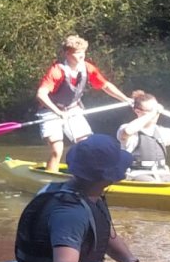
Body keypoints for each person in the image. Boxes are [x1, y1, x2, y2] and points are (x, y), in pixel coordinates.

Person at [13, 134, 170, 262]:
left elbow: (107, 235)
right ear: (108, 176)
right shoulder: (69, 212)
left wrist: (131, 261)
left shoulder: (89, 194)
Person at [36, 35, 130, 172]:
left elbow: (105, 85)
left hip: (73, 109)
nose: (81, 56)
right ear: (67, 53)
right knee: (57, 150)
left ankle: (85, 174)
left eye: (83, 52)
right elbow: (41, 95)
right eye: (77, 53)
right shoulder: (57, 71)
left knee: (87, 145)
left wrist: (125, 99)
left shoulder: (87, 67)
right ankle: (49, 178)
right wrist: (58, 112)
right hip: (51, 112)